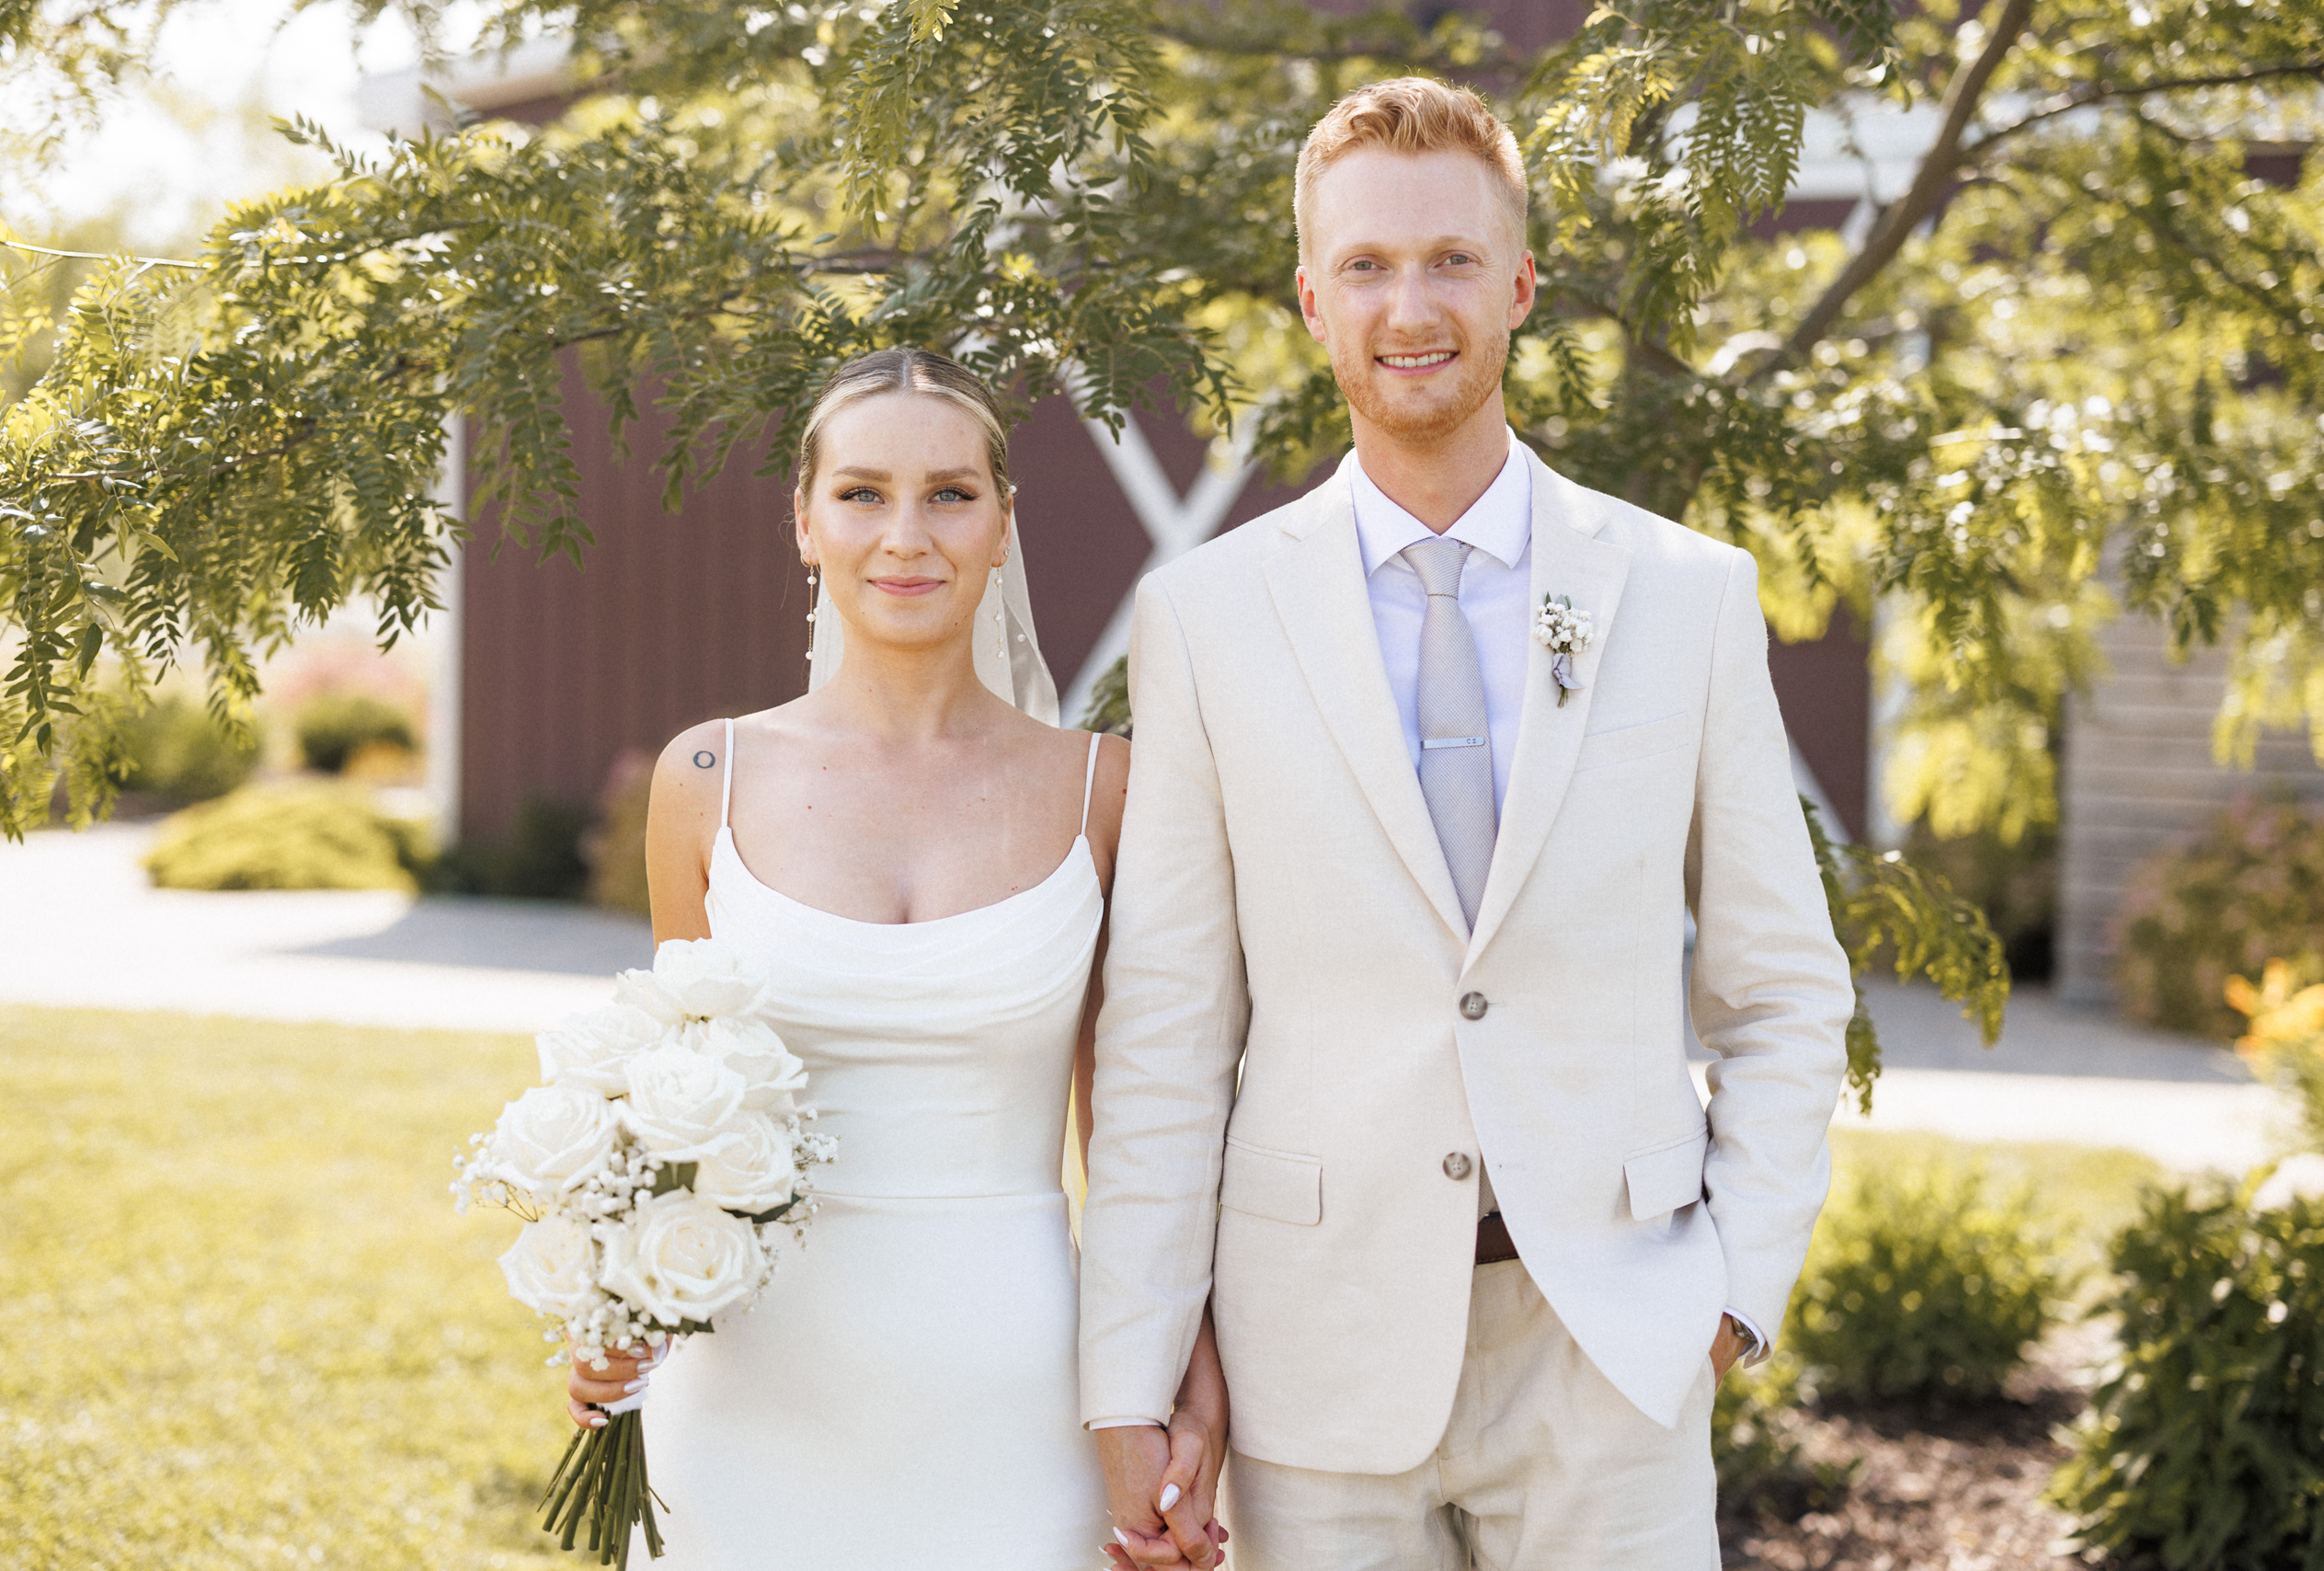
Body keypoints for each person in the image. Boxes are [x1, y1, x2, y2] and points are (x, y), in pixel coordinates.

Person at [1082, 79, 1854, 1570]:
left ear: (1519, 286)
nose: (1409, 303)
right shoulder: (1206, 617)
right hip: (1317, 1354)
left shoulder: (1683, 595)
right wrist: (1133, 1368)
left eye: (1448, 259)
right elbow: (1169, 1024)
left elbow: (1783, 987)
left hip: (1613, 1350)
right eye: (1366, 266)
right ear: (1312, 300)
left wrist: (1732, 1295)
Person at [562, 347, 1229, 1569]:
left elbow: (1139, 1127)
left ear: (1003, 525)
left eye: (951, 494)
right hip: (749, 1396)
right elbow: (672, 1118)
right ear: (804, 523)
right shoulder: (703, 782)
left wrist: (1178, 1393)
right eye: (862, 493)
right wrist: (613, 1310)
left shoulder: (1107, 790)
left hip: (1019, 1391)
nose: (906, 535)